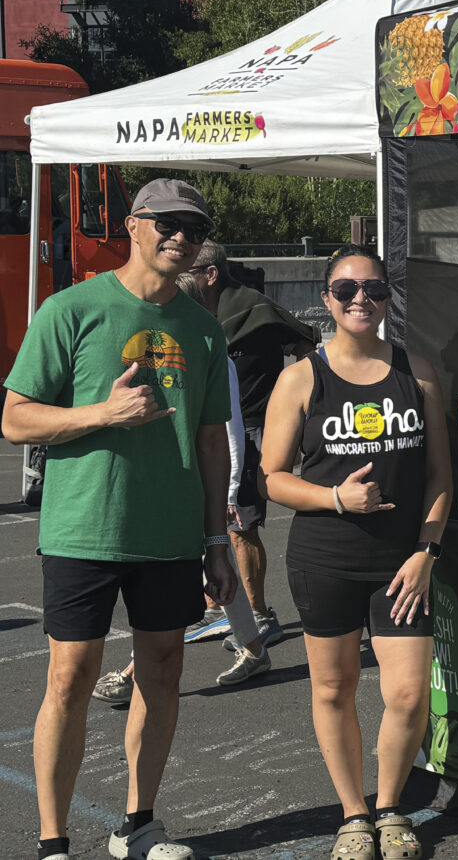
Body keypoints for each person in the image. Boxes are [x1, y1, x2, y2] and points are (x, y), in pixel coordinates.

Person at [2, 178, 238, 860]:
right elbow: (16, 418)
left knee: (161, 671)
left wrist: (217, 539)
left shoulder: (201, 328)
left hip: (168, 532)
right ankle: (52, 842)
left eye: (193, 228)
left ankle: (137, 825)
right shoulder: (71, 308)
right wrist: (100, 413)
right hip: (83, 526)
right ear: (132, 226)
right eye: (166, 222)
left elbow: (210, 439)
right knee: (71, 677)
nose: (181, 237)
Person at [260, 246, 452, 860]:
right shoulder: (301, 378)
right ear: (327, 300)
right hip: (325, 558)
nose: (360, 299)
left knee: (407, 694)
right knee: (333, 690)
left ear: (389, 297)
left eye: (373, 288)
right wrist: (336, 498)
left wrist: (427, 549)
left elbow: (441, 476)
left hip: (403, 564)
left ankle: (391, 806)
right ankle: (353, 814)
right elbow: (271, 477)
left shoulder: (416, 371)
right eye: (345, 290)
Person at [91, 268, 273, 701]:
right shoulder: (163, 355)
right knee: (220, 576)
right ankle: (253, 648)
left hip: (197, 486)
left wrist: (227, 493)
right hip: (175, 483)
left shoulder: (214, 354)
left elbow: (226, 433)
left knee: (183, 579)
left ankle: (134, 672)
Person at [183, 240, 316, 652]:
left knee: (241, 526)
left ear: (211, 274)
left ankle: (259, 613)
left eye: (192, 266)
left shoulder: (256, 308)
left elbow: (307, 345)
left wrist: (293, 403)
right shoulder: (192, 315)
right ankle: (215, 609)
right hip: (207, 429)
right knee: (210, 522)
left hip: (252, 431)